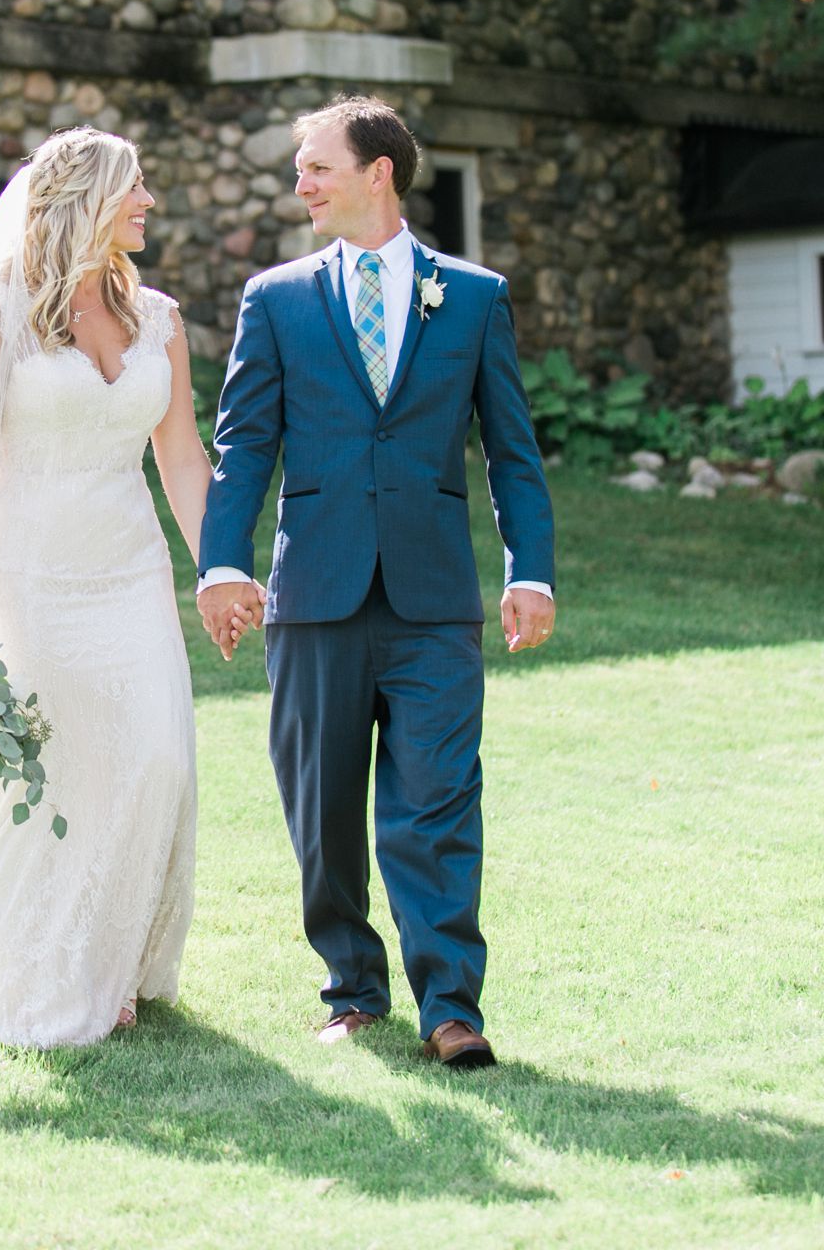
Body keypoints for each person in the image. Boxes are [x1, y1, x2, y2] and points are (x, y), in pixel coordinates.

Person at [196, 95, 555, 1068]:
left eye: (315, 166)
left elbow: (511, 453)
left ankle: (450, 1007)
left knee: (438, 797)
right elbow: (242, 446)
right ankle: (352, 987)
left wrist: (531, 572)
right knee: (319, 803)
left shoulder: (472, 296)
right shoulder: (273, 300)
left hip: (435, 596)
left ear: (376, 173)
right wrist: (221, 563)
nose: (300, 183)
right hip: (312, 591)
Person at [0, 127, 233, 1048]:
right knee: (54, 770)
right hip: (29, 572)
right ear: (85, 199)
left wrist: (218, 564)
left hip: (129, 568)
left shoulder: (160, 317)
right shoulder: (3, 311)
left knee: (156, 760)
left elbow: (181, 455)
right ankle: (53, 966)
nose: (149, 201)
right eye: (133, 186)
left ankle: (117, 954)